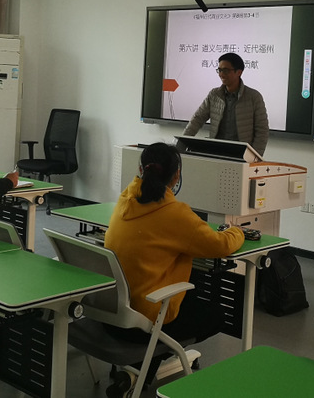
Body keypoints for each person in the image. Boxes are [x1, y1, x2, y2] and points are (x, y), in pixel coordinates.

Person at [104, 142, 245, 346]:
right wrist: (237, 231)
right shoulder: (176, 214)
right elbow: (221, 245)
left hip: (112, 315)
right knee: (216, 315)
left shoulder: (125, 199)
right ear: (176, 175)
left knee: (191, 291)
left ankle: (153, 359)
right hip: (146, 320)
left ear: (141, 170)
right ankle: (158, 358)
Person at [182, 52, 269, 156]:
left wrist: (254, 157)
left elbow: (262, 131)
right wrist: (182, 143)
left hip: (242, 154)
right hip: (216, 151)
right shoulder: (214, 94)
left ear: (239, 72)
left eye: (226, 70)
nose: (221, 74)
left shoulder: (254, 97)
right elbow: (197, 119)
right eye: (219, 70)